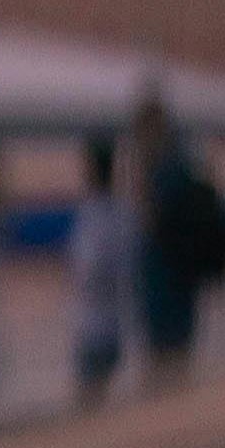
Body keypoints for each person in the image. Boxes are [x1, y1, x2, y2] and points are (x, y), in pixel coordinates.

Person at [134, 95, 225, 375]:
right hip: (181, 298)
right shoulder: (183, 167)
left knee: (165, 371)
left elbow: (154, 229)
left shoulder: (162, 178)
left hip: (166, 299)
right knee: (179, 365)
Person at [66, 133, 133, 404]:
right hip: (114, 324)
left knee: (88, 400)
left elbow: (89, 266)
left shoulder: (94, 215)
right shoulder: (122, 213)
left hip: (93, 326)